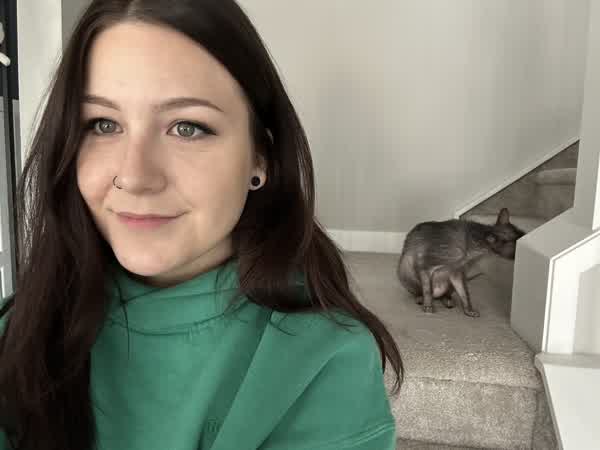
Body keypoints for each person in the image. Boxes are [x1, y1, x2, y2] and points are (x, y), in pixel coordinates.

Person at [0, 1, 403, 449]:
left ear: (260, 157)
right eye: (104, 124)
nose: (134, 176)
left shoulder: (325, 363)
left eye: (187, 128)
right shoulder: (21, 332)